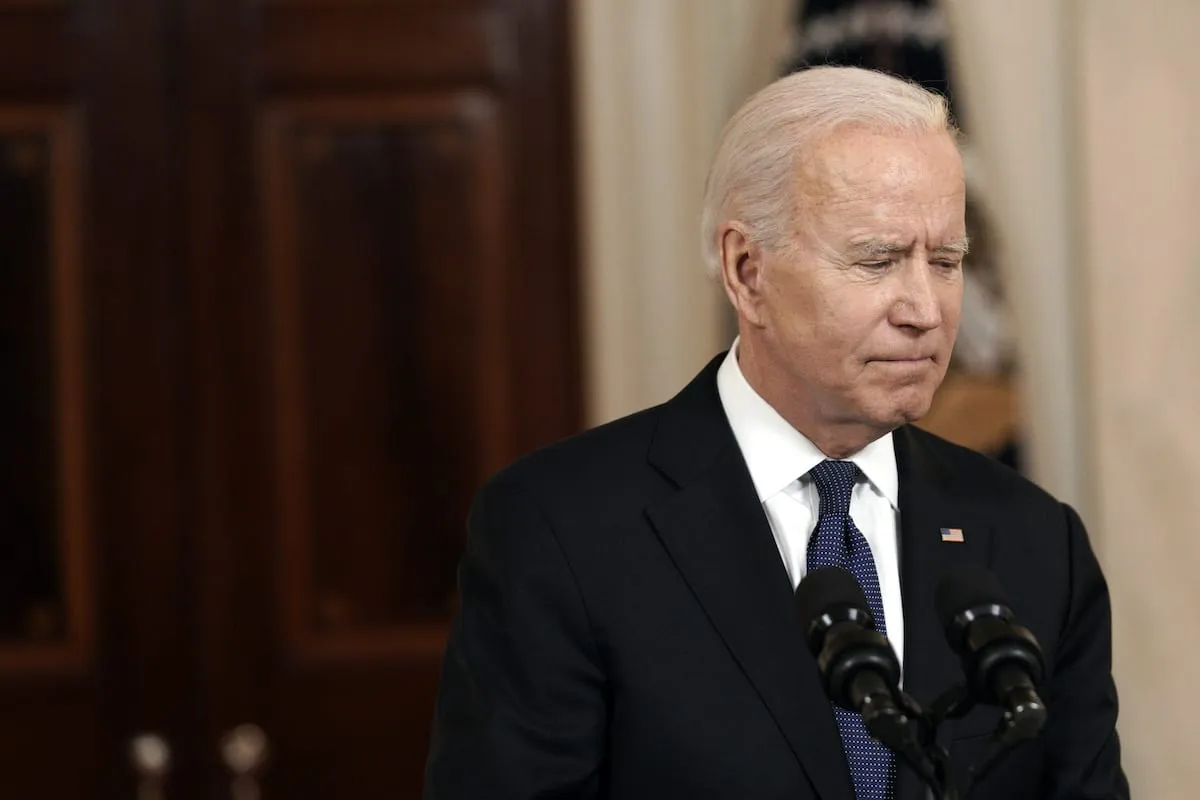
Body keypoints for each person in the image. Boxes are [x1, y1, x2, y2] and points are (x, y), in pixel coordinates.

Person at [423, 66, 1129, 800]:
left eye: (946, 261)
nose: (925, 307)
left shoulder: (1036, 543)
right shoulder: (560, 531)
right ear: (746, 270)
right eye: (878, 260)